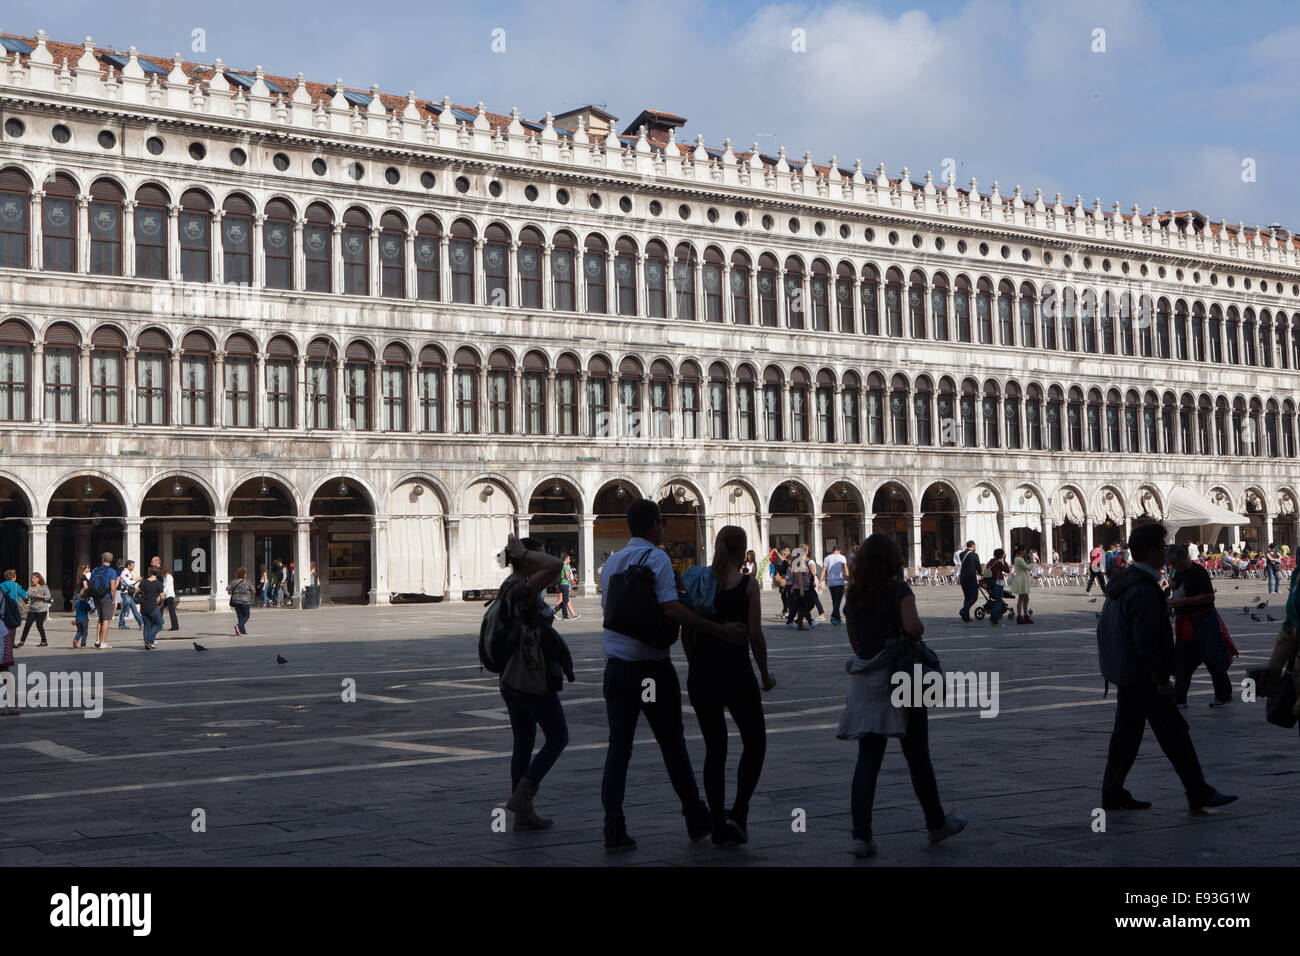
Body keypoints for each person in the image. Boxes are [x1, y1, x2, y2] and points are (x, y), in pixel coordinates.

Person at [599, 497, 747, 853]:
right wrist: (718, 630)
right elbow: (671, 608)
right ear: (655, 525)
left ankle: (613, 827)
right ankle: (695, 817)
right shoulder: (657, 558)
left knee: (619, 749)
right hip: (649, 671)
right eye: (662, 523)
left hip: (615, 670)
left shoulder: (611, 563)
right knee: (671, 744)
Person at [837, 533, 966, 858]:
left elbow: (855, 644)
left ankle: (861, 836)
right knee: (917, 756)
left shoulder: (853, 597)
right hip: (902, 678)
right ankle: (936, 822)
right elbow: (913, 628)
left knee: (867, 760)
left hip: (867, 682)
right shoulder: (899, 590)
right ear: (893, 561)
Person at [1097, 522, 1237, 813]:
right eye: (1162, 547)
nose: (1166, 552)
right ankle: (1197, 791)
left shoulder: (1124, 583)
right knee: (1174, 733)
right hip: (1144, 677)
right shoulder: (1144, 590)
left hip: (1128, 673)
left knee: (1127, 735)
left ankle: (1112, 792)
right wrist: (1160, 677)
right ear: (1151, 551)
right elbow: (1146, 639)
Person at [685, 525, 776, 846]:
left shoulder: (697, 581)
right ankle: (739, 811)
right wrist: (765, 673)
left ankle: (719, 823)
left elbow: (686, 629)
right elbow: (755, 635)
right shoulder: (747, 585)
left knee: (715, 748)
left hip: (702, 674)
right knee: (755, 741)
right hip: (737, 673)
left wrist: (695, 661)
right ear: (743, 551)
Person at [496, 534, 572, 831]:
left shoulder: (507, 586)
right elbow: (554, 566)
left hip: (509, 676)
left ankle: (522, 815)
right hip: (529, 673)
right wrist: (526, 555)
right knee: (558, 737)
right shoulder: (523, 589)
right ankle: (523, 797)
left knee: (523, 742)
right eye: (536, 558)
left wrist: (523, 555)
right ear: (528, 561)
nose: (542, 563)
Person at [1168, 545, 1233, 709]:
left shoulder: (1198, 572)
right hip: (1186, 622)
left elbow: (1209, 597)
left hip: (1204, 621)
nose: (1173, 566)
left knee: (1213, 659)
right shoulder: (1177, 573)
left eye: (1174, 562)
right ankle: (1179, 698)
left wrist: (1183, 602)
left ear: (1184, 558)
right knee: (1182, 662)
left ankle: (1223, 695)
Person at [89, 553, 118, 649]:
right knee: (106, 619)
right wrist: (113, 599)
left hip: (97, 597)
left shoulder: (95, 570)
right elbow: (113, 587)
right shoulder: (112, 571)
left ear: (102, 559)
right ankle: (103, 642)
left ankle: (97, 638)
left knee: (100, 618)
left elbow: (91, 583)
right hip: (106, 596)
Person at [17, 572, 50, 647]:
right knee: (27, 625)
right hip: (32, 610)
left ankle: (44, 641)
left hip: (41, 610)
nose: (32, 580)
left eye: (34, 578)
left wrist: (40, 596)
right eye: (32, 578)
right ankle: (21, 642)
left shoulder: (44, 587)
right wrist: (19, 591)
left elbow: (48, 597)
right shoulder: (31, 587)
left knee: (39, 625)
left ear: (38, 579)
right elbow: (26, 596)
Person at [786, 547, 815, 631]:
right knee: (805, 605)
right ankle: (800, 623)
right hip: (800, 589)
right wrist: (801, 588)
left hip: (804, 588)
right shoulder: (799, 564)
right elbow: (798, 576)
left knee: (802, 606)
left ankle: (800, 622)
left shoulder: (802, 563)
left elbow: (794, 576)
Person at [137, 565, 165, 650]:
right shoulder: (159, 583)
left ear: (150, 572)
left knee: (147, 625)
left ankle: (147, 644)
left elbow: (136, 591)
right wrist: (161, 603)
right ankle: (149, 640)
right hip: (152, 606)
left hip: (143, 606)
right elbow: (162, 597)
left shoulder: (143, 582)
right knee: (159, 624)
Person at [822, 544, 849, 626]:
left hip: (831, 583)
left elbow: (824, 570)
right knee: (838, 601)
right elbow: (845, 568)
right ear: (839, 550)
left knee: (835, 601)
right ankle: (833, 617)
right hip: (839, 582)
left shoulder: (827, 558)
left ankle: (837, 618)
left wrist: (820, 581)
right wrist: (848, 578)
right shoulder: (842, 557)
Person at [956, 540, 981, 623]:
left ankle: (966, 617)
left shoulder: (961, 554)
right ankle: (963, 610)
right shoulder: (974, 555)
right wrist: (982, 573)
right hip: (971, 578)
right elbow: (978, 567)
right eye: (975, 546)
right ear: (973, 546)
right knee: (974, 597)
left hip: (963, 578)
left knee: (967, 597)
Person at [986, 548, 1010, 627]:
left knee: (997, 601)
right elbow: (1007, 570)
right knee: (998, 602)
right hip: (998, 583)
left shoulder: (990, 562)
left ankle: (992, 618)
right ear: (1001, 555)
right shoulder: (999, 563)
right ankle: (995, 621)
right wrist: (1005, 561)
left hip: (991, 583)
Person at [227, 567, 254, 636]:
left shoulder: (234, 581)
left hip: (236, 601)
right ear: (244, 575)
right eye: (245, 573)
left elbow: (228, 588)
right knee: (247, 616)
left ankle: (242, 632)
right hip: (245, 601)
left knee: (240, 616)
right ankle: (238, 626)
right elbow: (254, 590)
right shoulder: (247, 582)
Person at [116, 560, 143, 630]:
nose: (133, 567)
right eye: (132, 566)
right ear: (128, 565)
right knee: (125, 609)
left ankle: (141, 623)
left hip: (129, 593)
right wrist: (137, 580)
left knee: (134, 609)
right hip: (126, 593)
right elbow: (128, 582)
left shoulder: (129, 573)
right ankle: (121, 624)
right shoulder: (124, 573)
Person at [1010, 546, 1033, 625]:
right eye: (1024, 551)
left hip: (1022, 577)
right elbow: (1027, 567)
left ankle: (1025, 615)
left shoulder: (1018, 559)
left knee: (1026, 598)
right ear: (1020, 552)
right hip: (1021, 578)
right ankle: (1019, 616)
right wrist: (1031, 563)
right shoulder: (1019, 559)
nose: (1024, 553)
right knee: (1021, 598)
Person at [554, 554, 578, 621]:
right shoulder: (566, 566)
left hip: (561, 584)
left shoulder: (561, 566)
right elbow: (567, 576)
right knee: (565, 601)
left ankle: (554, 611)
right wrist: (571, 580)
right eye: (569, 559)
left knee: (565, 600)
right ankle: (565, 616)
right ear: (566, 559)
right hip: (565, 584)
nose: (570, 560)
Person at [162, 566, 179, 631]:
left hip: (169, 596)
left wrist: (162, 594)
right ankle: (159, 624)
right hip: (166, 596)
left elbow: (166, 587)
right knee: (161, 608)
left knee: (171, 611)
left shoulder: (169, 577)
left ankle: (175, 626)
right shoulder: (165, 577)